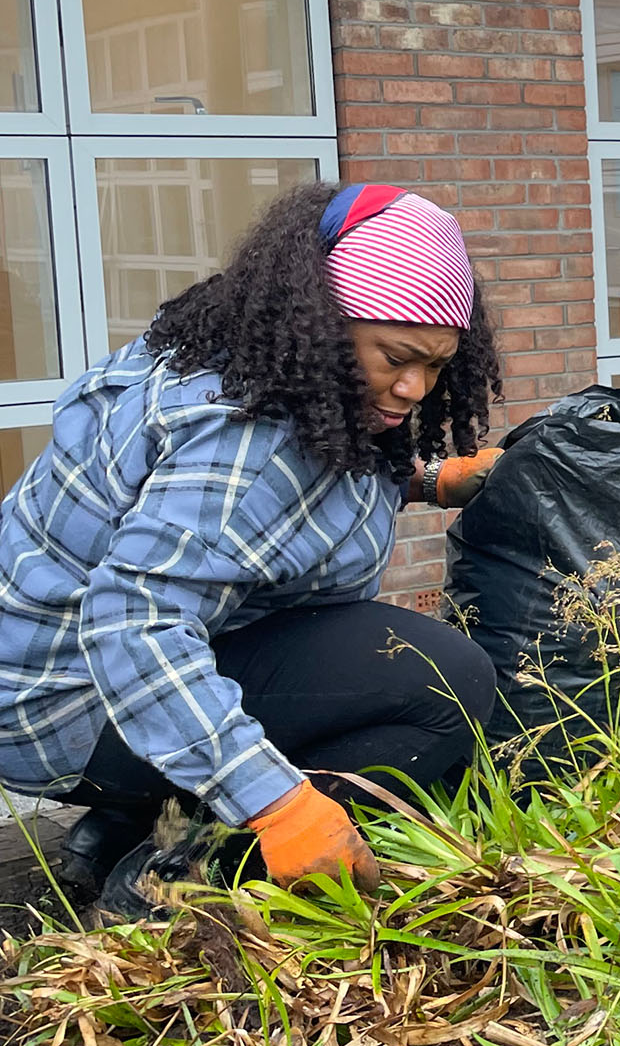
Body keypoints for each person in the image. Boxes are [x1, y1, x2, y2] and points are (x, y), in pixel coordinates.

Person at [0, 181, 506, 913]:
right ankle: (177, 867)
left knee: (331, 649)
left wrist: (425, 479)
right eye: (397, 356)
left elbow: (263, 527)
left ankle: (122, 825)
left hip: (44, 679)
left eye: (435, 365)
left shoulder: (257, 364)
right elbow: (134, 624)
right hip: (74, 703)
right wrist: (278, 805)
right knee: (441, 682)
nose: (413, 387)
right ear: (324, 323)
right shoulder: (247, 442)